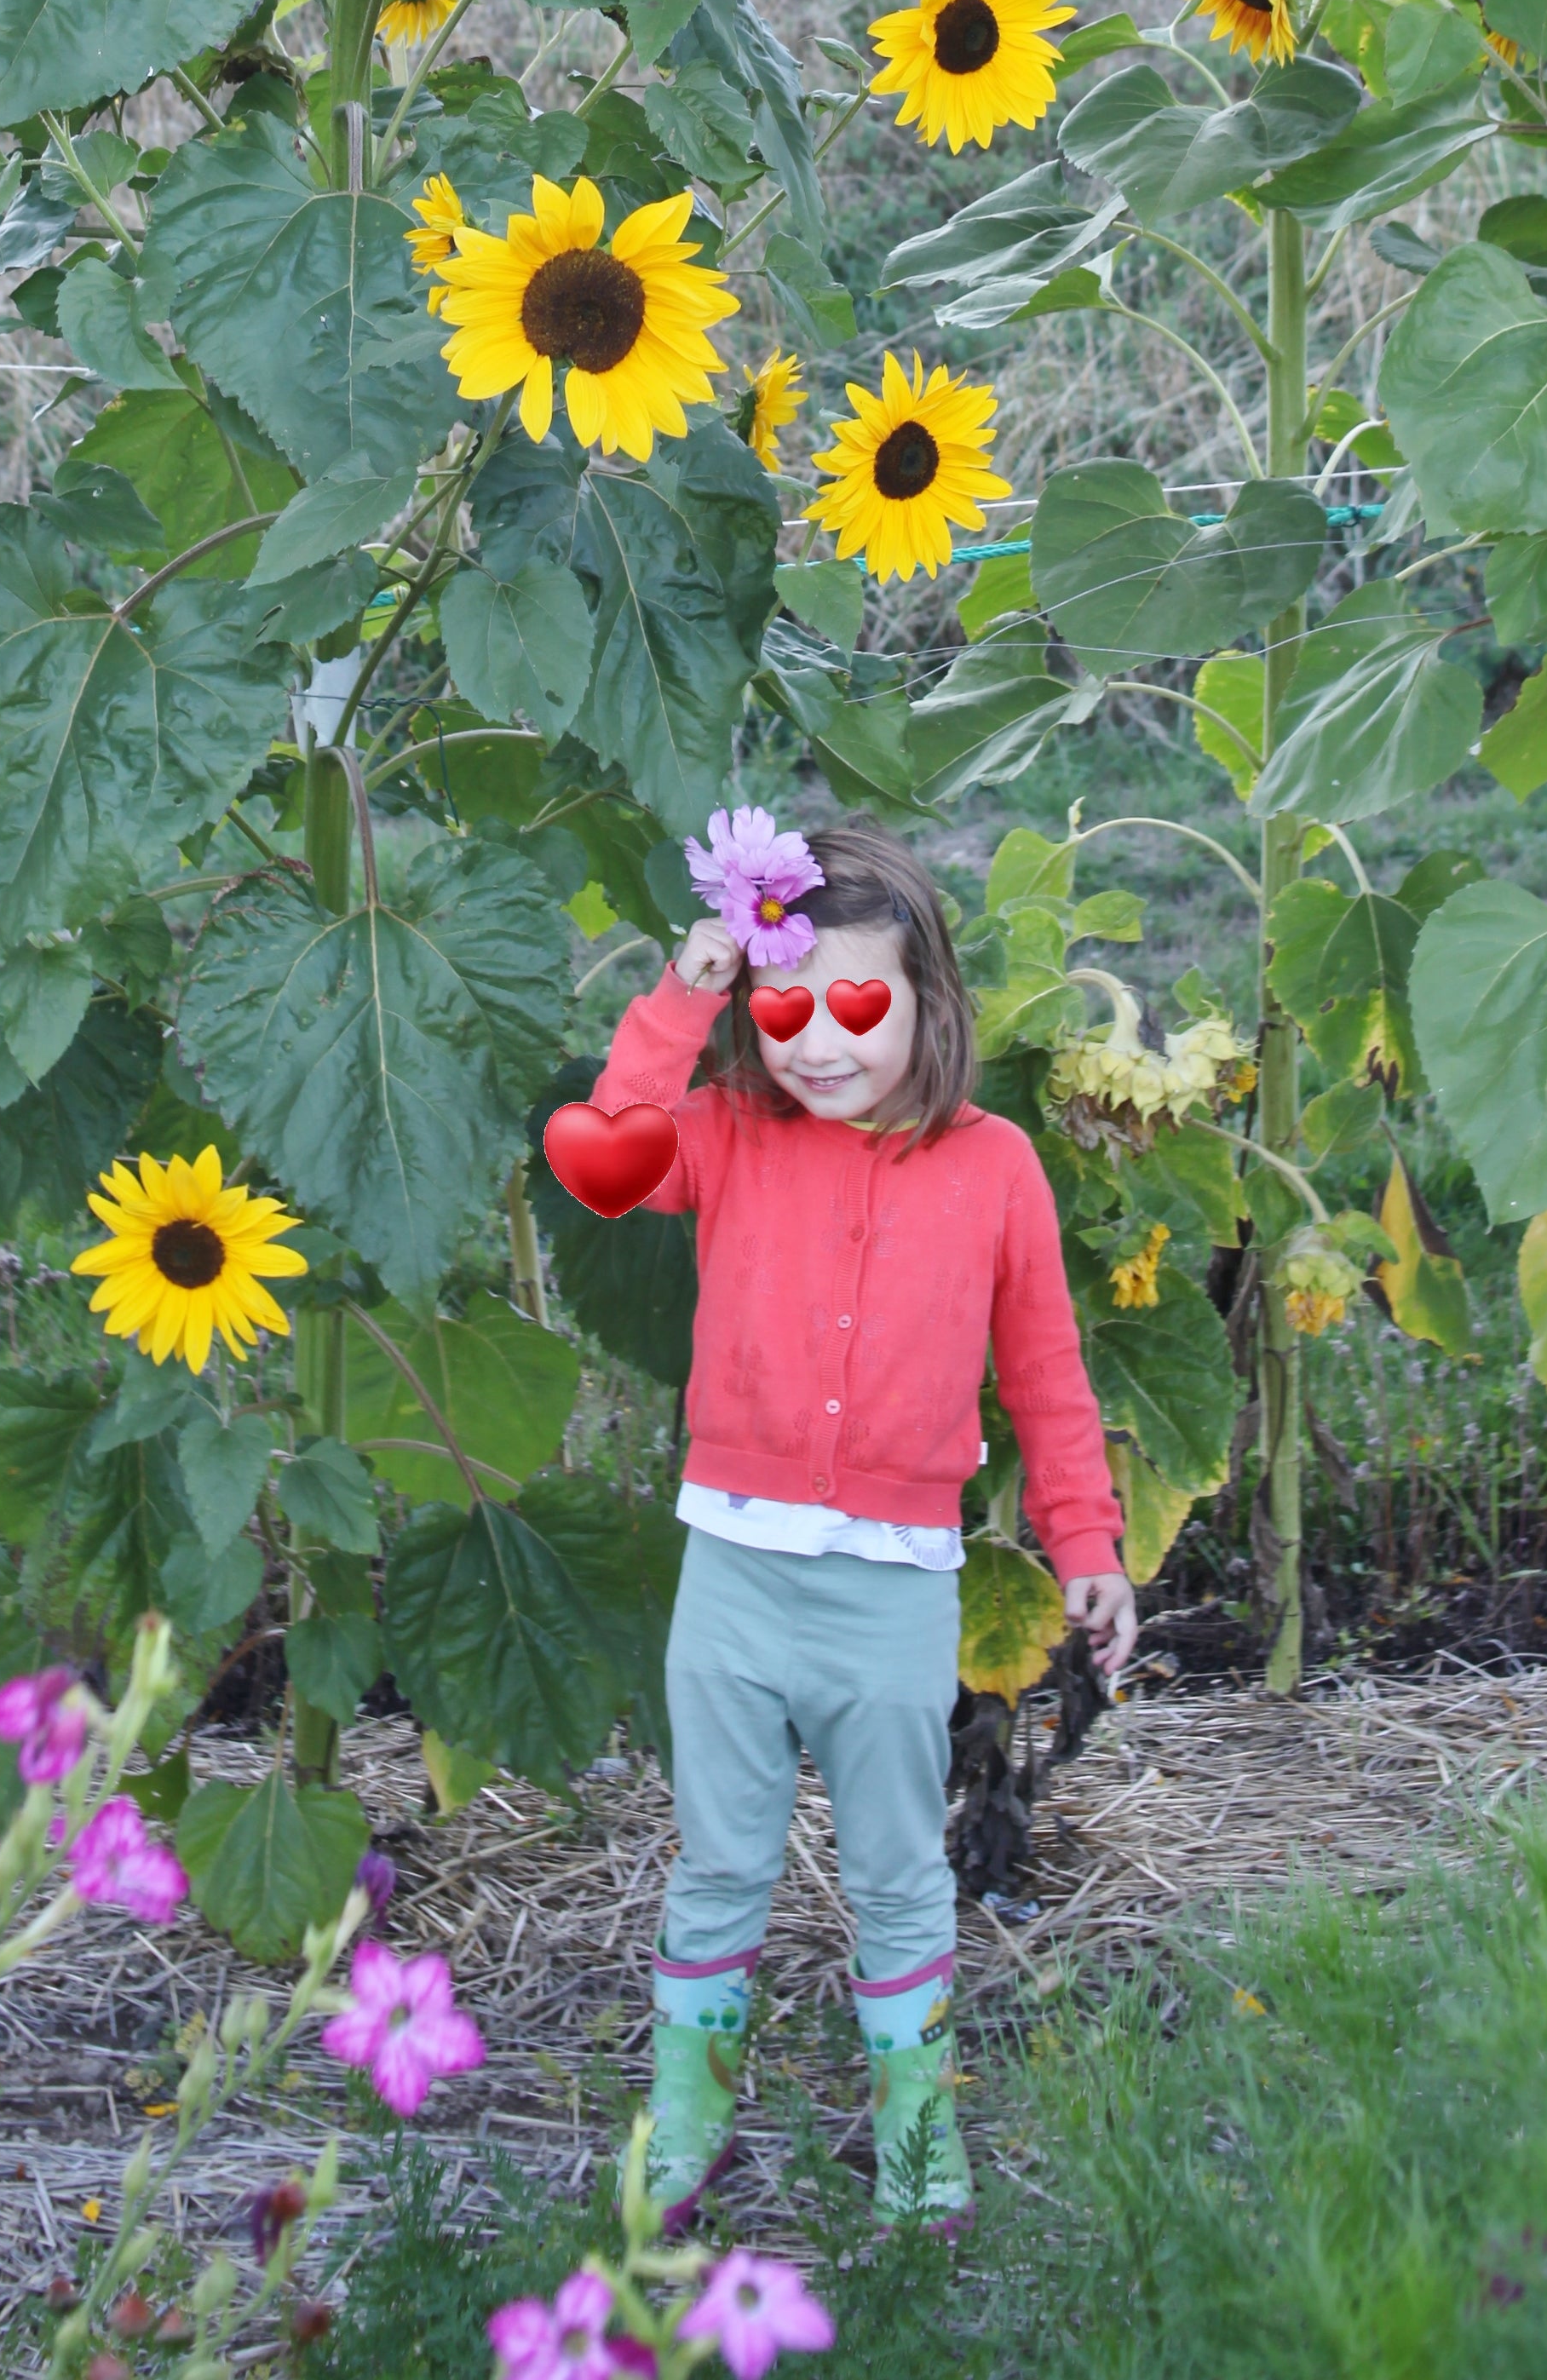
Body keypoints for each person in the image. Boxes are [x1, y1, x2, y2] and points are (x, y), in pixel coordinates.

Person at [583, 819, 1137, 2231]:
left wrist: (1087, 1545)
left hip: (891, 1589)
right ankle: (690, 2126)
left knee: (898, 1872)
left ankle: (914, 2136)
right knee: (719, 1863)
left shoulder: (997, 1166)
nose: (816, 1042)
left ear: (927, 1002)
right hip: (736, 1572)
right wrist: (683, 993)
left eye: (858, 1006)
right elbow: (604, 1161)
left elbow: (1050, 1377)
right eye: (781, 1007)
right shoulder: (723, 1136)